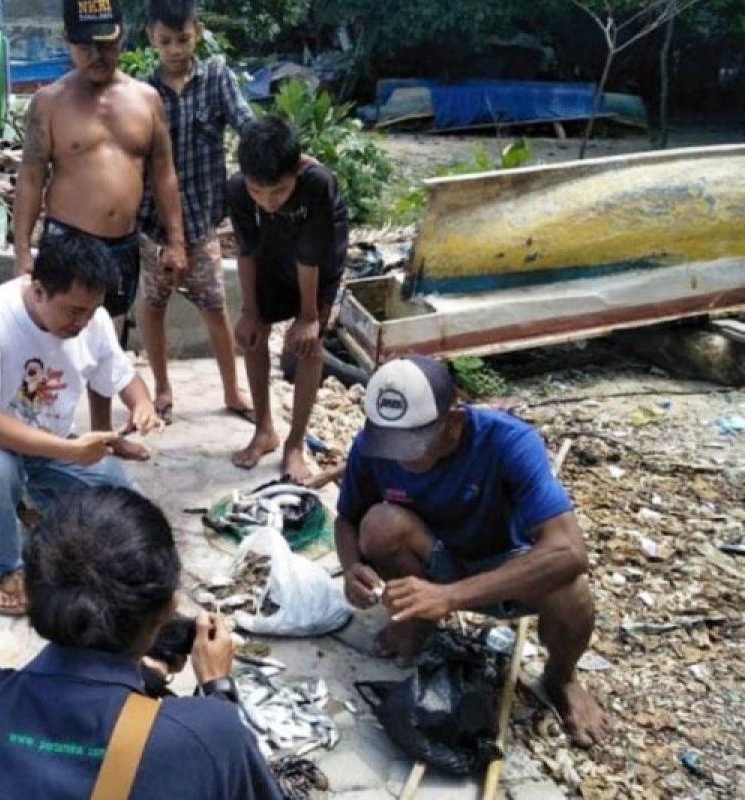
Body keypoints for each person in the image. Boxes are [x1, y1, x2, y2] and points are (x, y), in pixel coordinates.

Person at [0, 486, 282, 799]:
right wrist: (217, 690)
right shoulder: (205, 736)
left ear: (28, 592)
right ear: (168, 608)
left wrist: (146, 681)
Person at [335, 355, 608, 747]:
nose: (399, 458)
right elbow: (347, 519)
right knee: (378, 524)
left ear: (454, 423)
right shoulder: (373, 445)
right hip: (436, 553)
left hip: (506, 568)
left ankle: (561, 677)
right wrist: (350, 568)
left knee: (573, 591)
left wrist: (450, 597)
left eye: (413, 446)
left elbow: (570, 551)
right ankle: (417, 621)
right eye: (391, 444)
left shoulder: (508, 441)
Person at [0, 231, 164, 616]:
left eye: (91, 311)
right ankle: (2, 568)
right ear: (40, 291)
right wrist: (73, 451)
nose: (83, 322)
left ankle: (30, 498)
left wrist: (142, 405)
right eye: (74, 311)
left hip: (47, 443)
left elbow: (122, 376)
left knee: (117, 498)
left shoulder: (92, 320)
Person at [13, 0, 187, 459]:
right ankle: (41, 440)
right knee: (53, 340)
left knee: (106, 339)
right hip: (68, 240)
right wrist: (22, 251)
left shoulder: (147, 100)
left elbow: (164, 172)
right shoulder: (49, 103)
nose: (97, 54)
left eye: (105, 43)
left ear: (122, 37)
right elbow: (31, 176)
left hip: (122, 244)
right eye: (85, 45)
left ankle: (103, 436)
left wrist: (176, 241)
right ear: (69, 43)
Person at [135, 0, 254, 424]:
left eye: (182, 39)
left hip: (201, 221)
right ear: (151, 38)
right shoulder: (142, 92)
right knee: (153, 303)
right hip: (152, 225)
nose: (175, 49)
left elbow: (245, 122)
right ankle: (163, 388)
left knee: (215, 305)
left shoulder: (216, 77)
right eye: (165, 41)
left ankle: (231, 390)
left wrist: (283, 157)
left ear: (197, 33)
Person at [227, 116, 349, 482]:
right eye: (257, 192)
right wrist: (249, 311)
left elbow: (310, 255)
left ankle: (294, 443)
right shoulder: (237, 188)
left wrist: (309, 316)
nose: (267, 202)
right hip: (273, 250)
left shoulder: (317, 184)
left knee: (308, 346)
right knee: (252, 335)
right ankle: (264, 429)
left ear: (297, 168)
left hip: (321, 259)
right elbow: (246, 249)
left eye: (277, 192)